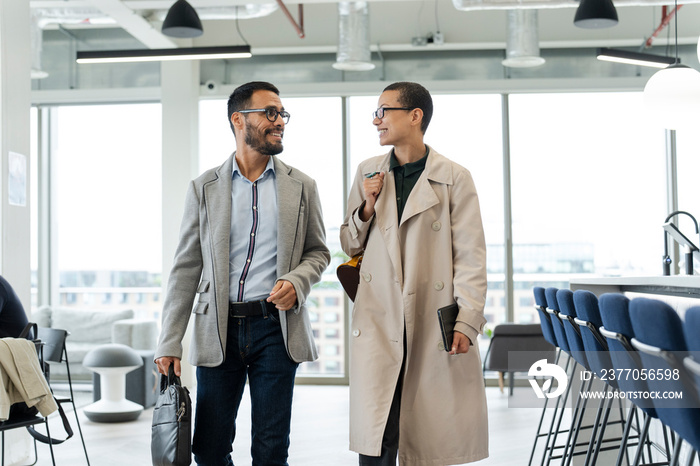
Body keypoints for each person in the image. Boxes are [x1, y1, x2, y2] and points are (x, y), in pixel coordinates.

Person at [154, 81, 330, 466]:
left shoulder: (302, 187)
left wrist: (297, 281)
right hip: (218, 330)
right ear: (239, 119)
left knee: (270, 449)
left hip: (276, 328)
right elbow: (185, 267)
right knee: (210, 448)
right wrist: (169, 342)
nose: (279, 121)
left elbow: (318, 252)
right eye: (270, 112)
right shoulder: (204, 188)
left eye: (282, 114)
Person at [340, 82, 489, 466]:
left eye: (384, 111)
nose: (377, 120)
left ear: (415, 116)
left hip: (430, 312)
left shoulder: (455, 176)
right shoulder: (368, 171)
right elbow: (349, 243)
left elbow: (470, 256)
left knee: (428, 431)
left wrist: (467, 322)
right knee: (379, 427)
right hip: (381, 313)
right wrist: (367, 207)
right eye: (376, 113)